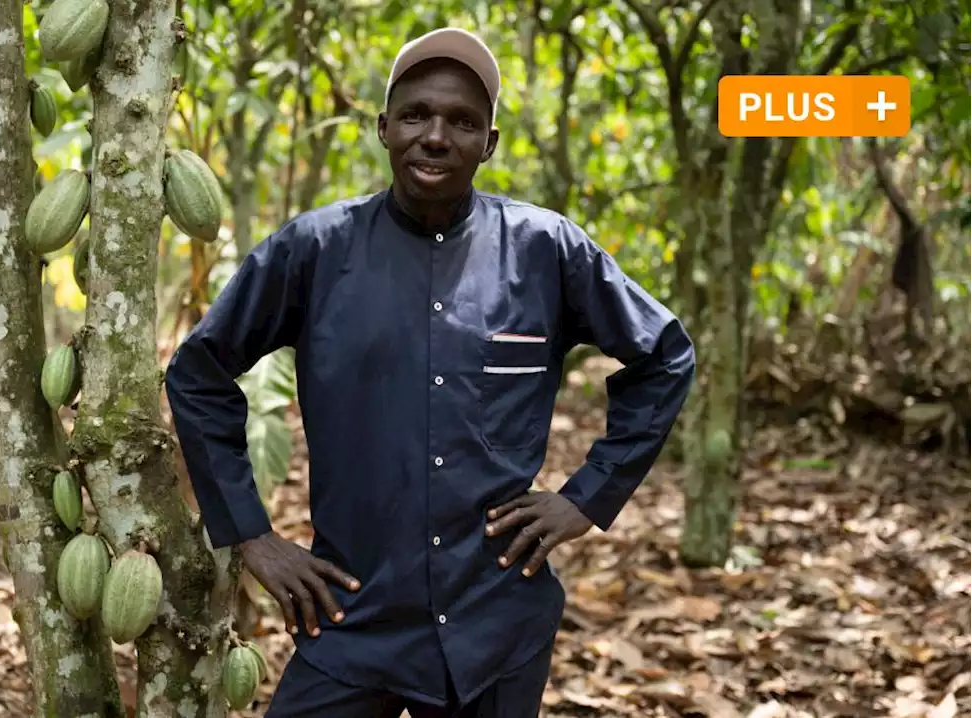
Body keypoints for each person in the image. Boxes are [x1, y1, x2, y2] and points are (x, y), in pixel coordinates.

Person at [163, 26, 696, 718]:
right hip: (353, 616)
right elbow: (199, 371)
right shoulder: (315, 250)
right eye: (416, 115)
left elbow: (665, 354)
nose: (436, 136)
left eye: (462, 122)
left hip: (497, 619)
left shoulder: (546, 251)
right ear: (385, 128)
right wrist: (251, 535)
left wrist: (585, 498)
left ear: (490, 144)